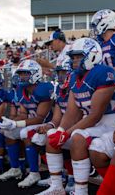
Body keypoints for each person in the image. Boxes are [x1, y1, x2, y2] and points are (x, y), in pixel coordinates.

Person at [37, 37, 115, 195]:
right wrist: (61, 130)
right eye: (73, 57)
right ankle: (57, 186)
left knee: (77, 137)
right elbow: (72, 112)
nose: (75, 61)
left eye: (79, 56)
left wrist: (67, 133)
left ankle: (80, 191)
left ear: (92, 55)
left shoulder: (103, 72)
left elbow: (95, 115)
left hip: (113, 121)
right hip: (93, 123)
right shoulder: (73, 77)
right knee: (53, 135)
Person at [0, 60, 53, 188]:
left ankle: (34, 173)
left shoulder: (43, 89)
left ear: (35, 74)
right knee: (8, 132)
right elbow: (23, 113)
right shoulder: (21, 89)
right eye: (20, 74)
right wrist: (11, 122)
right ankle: (15, 168)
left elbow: (40, 118)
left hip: (47, 124)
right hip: (30, 122)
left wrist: (18, 124)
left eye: (25, 74)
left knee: (25, 133)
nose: (22, 77)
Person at [33, 57, 75, 193]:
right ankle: (58, 178)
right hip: (66, 124)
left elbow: (76, 115)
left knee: (61, 138)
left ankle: (72, 175)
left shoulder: (76, 88)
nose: (60, 76)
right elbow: (57, 117)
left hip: (79, 125)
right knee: (42, 136)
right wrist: (49, 125)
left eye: (64, 73)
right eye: (59, 73)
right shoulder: (58, 90)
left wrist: (61, 130)